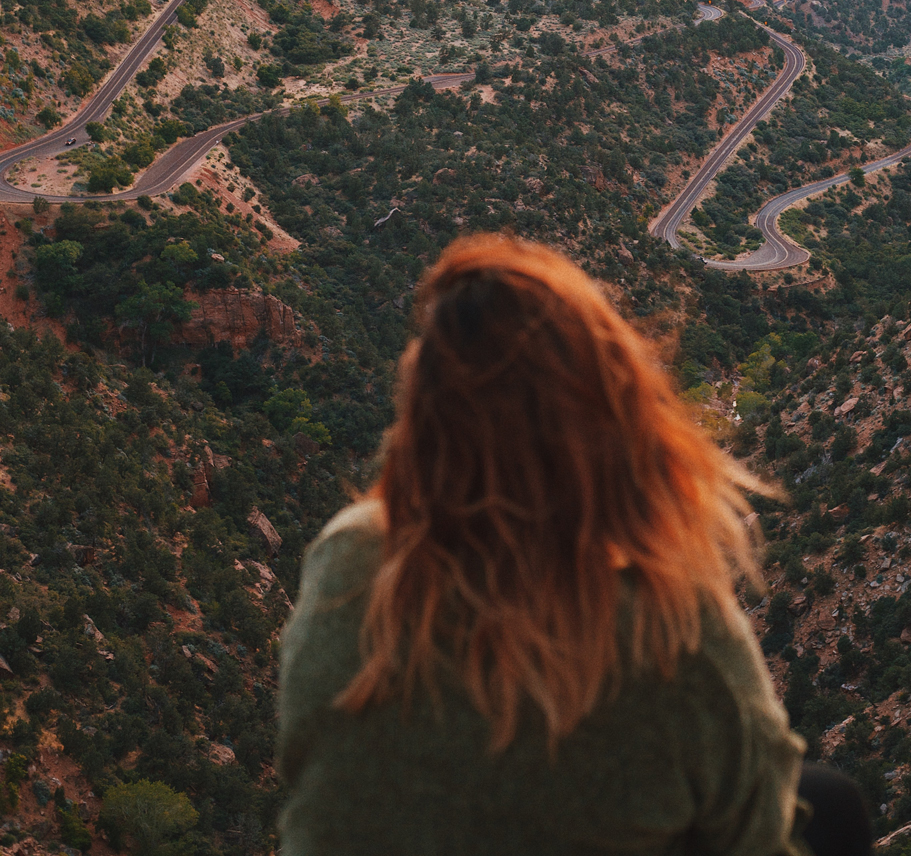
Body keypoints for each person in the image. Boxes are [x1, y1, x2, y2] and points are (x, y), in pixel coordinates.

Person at [278, 234, 872, 856]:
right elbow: (759, 836)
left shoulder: (345, 561)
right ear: (611, 422)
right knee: (830, 806)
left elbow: (304, 762)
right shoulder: (671, 632)